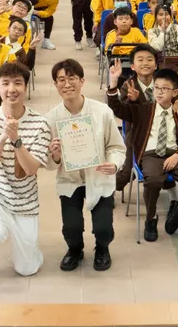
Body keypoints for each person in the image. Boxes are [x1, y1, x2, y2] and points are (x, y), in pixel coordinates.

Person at [0, 62, 52, 285]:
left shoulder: (40, 122)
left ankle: (28, 249)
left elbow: (31, 169)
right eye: (5, 84)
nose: (11, 89)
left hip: (24, 200)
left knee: (27, 269)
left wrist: (17, 140)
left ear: (25, 88)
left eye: (18, 83)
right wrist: (3, 137)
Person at [46, 58, 125, 271]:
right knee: (71, 228)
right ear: (55, 85)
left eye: (72, 78)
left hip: (99, 176)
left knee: (103, 229)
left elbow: (117, 147)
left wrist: (114, 165)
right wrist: (55, 156)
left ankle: (102, 248)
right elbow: (49, 163)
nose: (67, 84)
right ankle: (75, 249)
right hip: (70, 180)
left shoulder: (102, 112)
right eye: (61, 80)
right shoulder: (51, 119)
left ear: (82, 81)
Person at [107, 67, 178, 242]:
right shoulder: (143, 109)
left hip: (174, 154)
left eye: (165, 89)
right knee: (153, 180)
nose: (159, 92)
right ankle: (151, 218)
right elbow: (117, 109)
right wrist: (113, 83)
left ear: (175, 92)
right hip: (151, 154)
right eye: (157, 88)